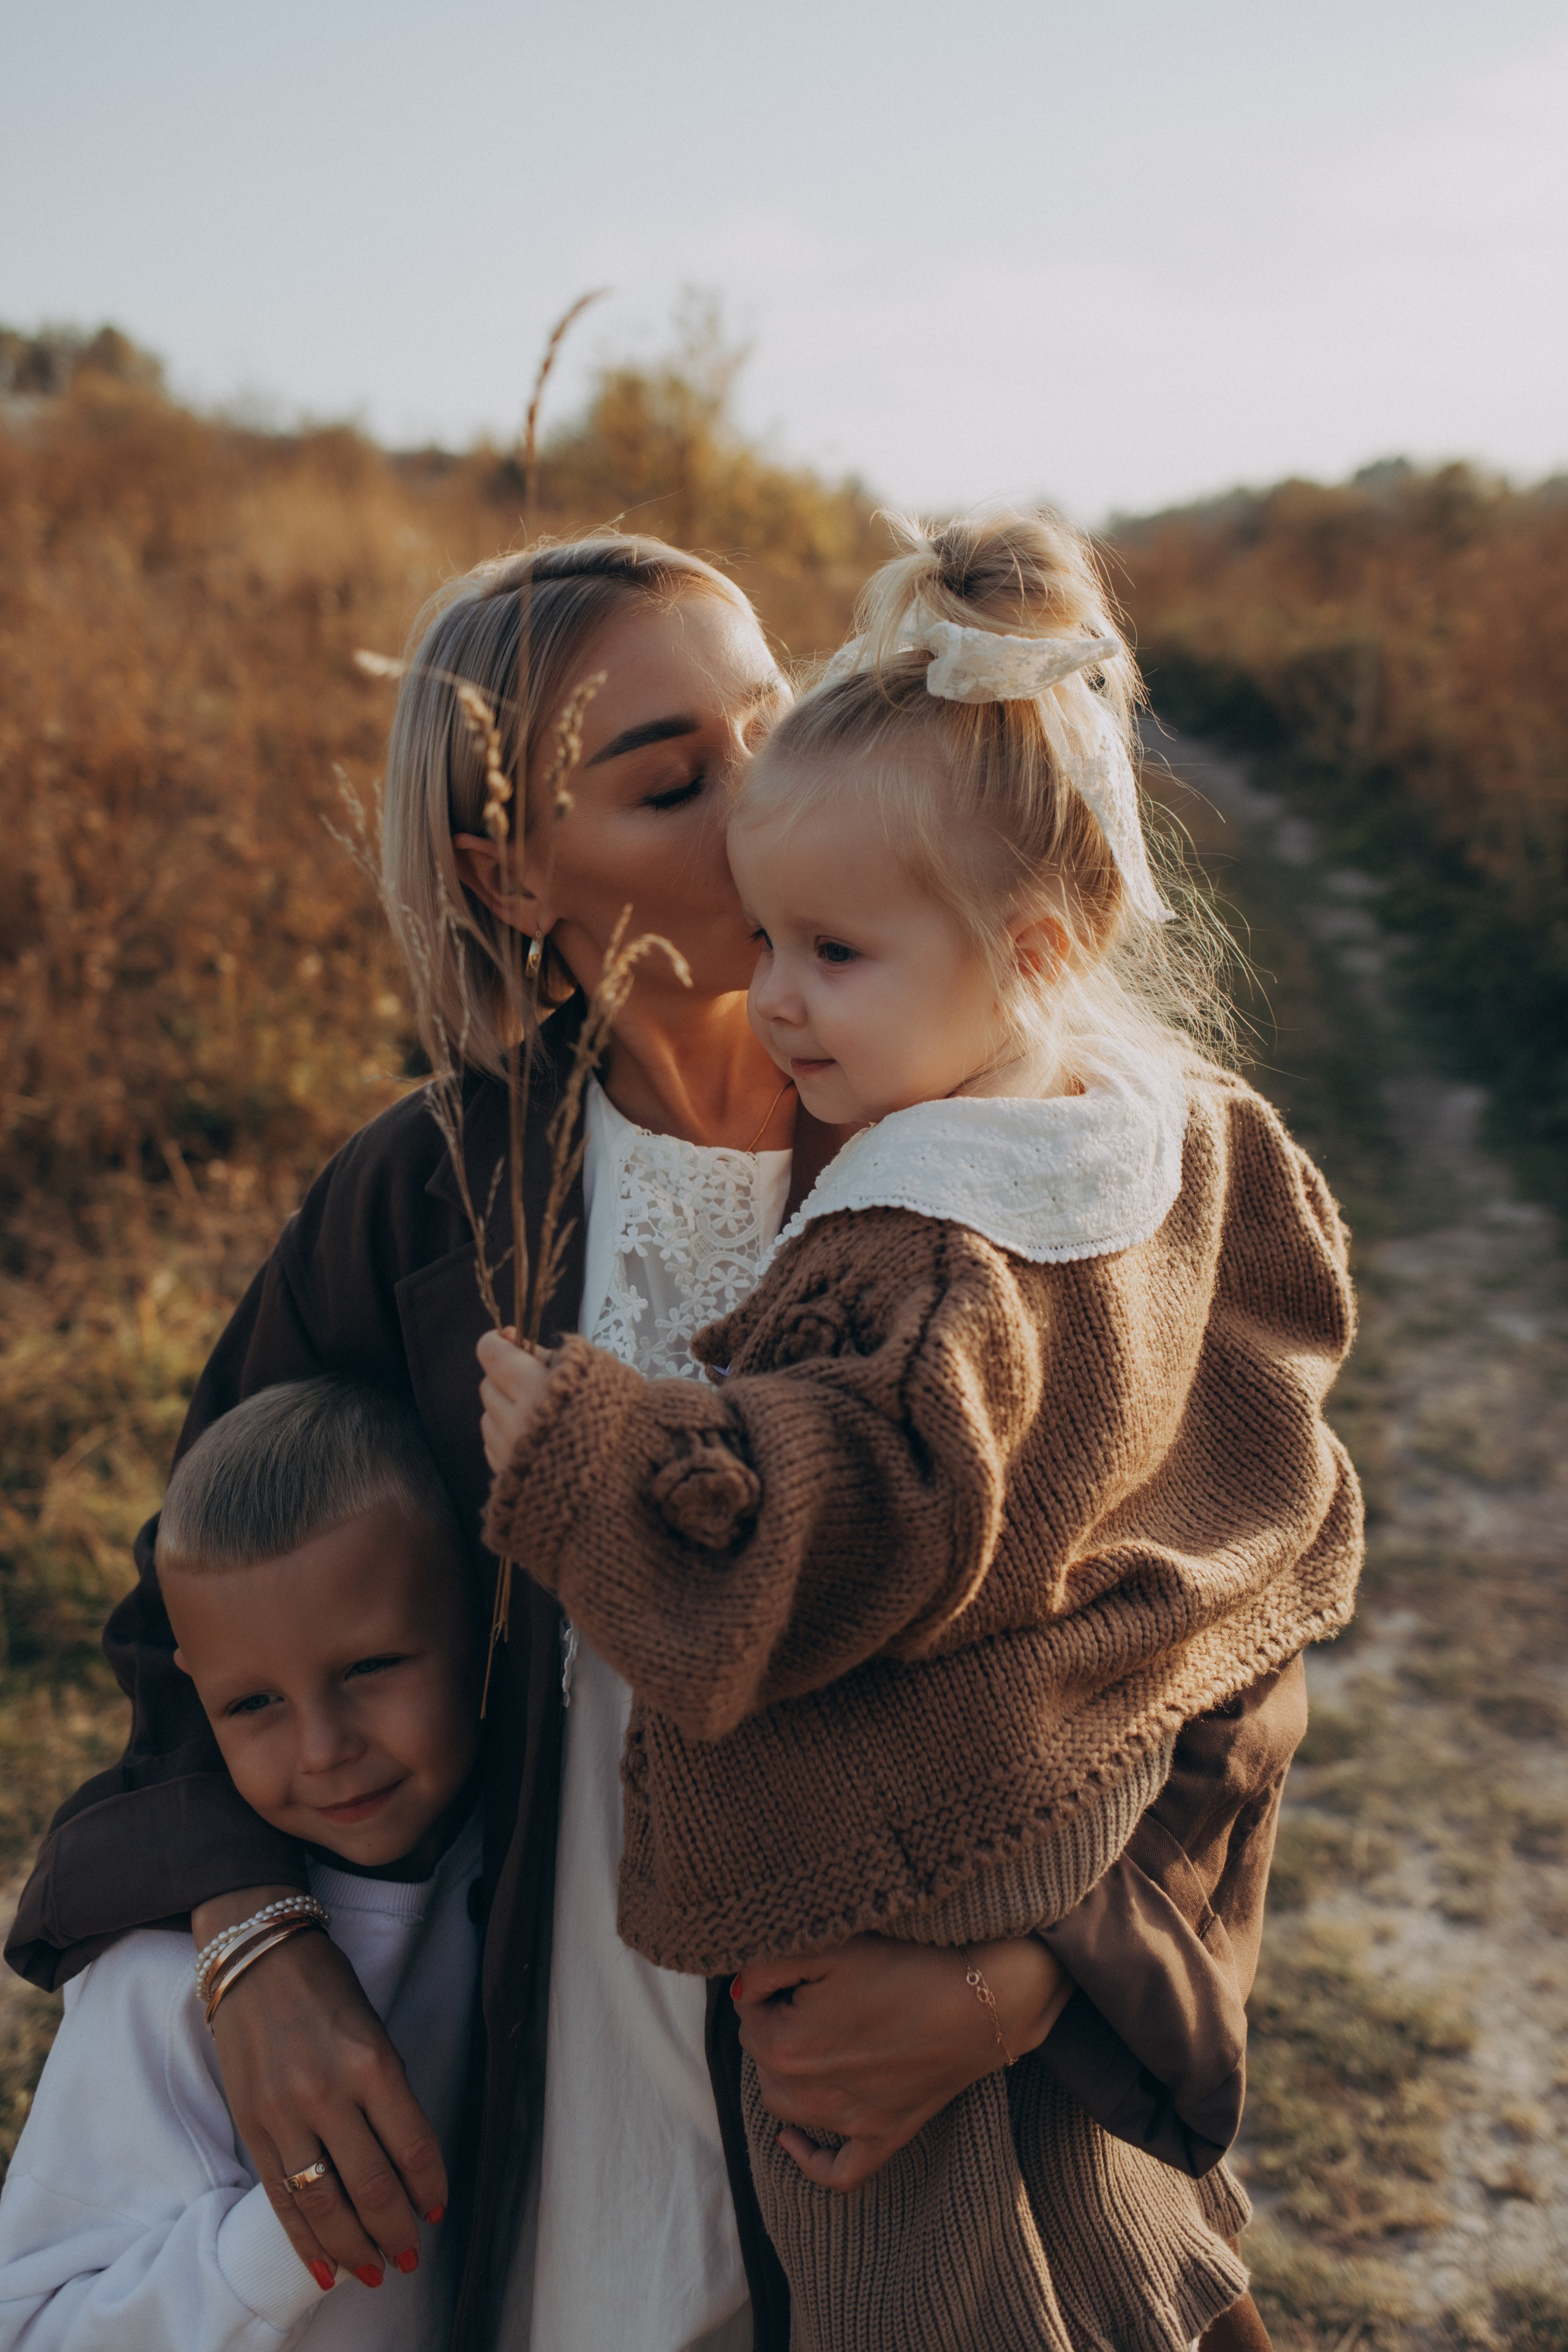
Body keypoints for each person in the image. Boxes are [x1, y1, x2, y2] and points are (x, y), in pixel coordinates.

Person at [6, 532, 1306, 2352]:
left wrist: (1026, 1988)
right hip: (570, 2121)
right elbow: (197, 1615)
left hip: (937, 2149)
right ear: (508, 873)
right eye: (671, 779)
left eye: (773, 720)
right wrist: (246, 1935)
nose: (763, 789)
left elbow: (1222, 1642)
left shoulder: (1040, 1164)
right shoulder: (426, 1202)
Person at [474, 510, 1362, 2351]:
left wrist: (591, 1460)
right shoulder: (1157, 1133)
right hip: (636, 2037)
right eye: (673, 789)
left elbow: (858, 1509)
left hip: (928, 1904)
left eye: (835, 950)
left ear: (1030, 940)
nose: (782, 981)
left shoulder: (933, 1225)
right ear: (506, 873)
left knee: (943, 2286)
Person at [0, 1378, 484, 2351]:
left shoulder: (532, 1872)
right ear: (192, 1688)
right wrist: (280, 2240)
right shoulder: (156, 1983)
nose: (321, 1747)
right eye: (253, 1705)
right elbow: (34, 2323)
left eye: (368, 1668)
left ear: (479, 1617)